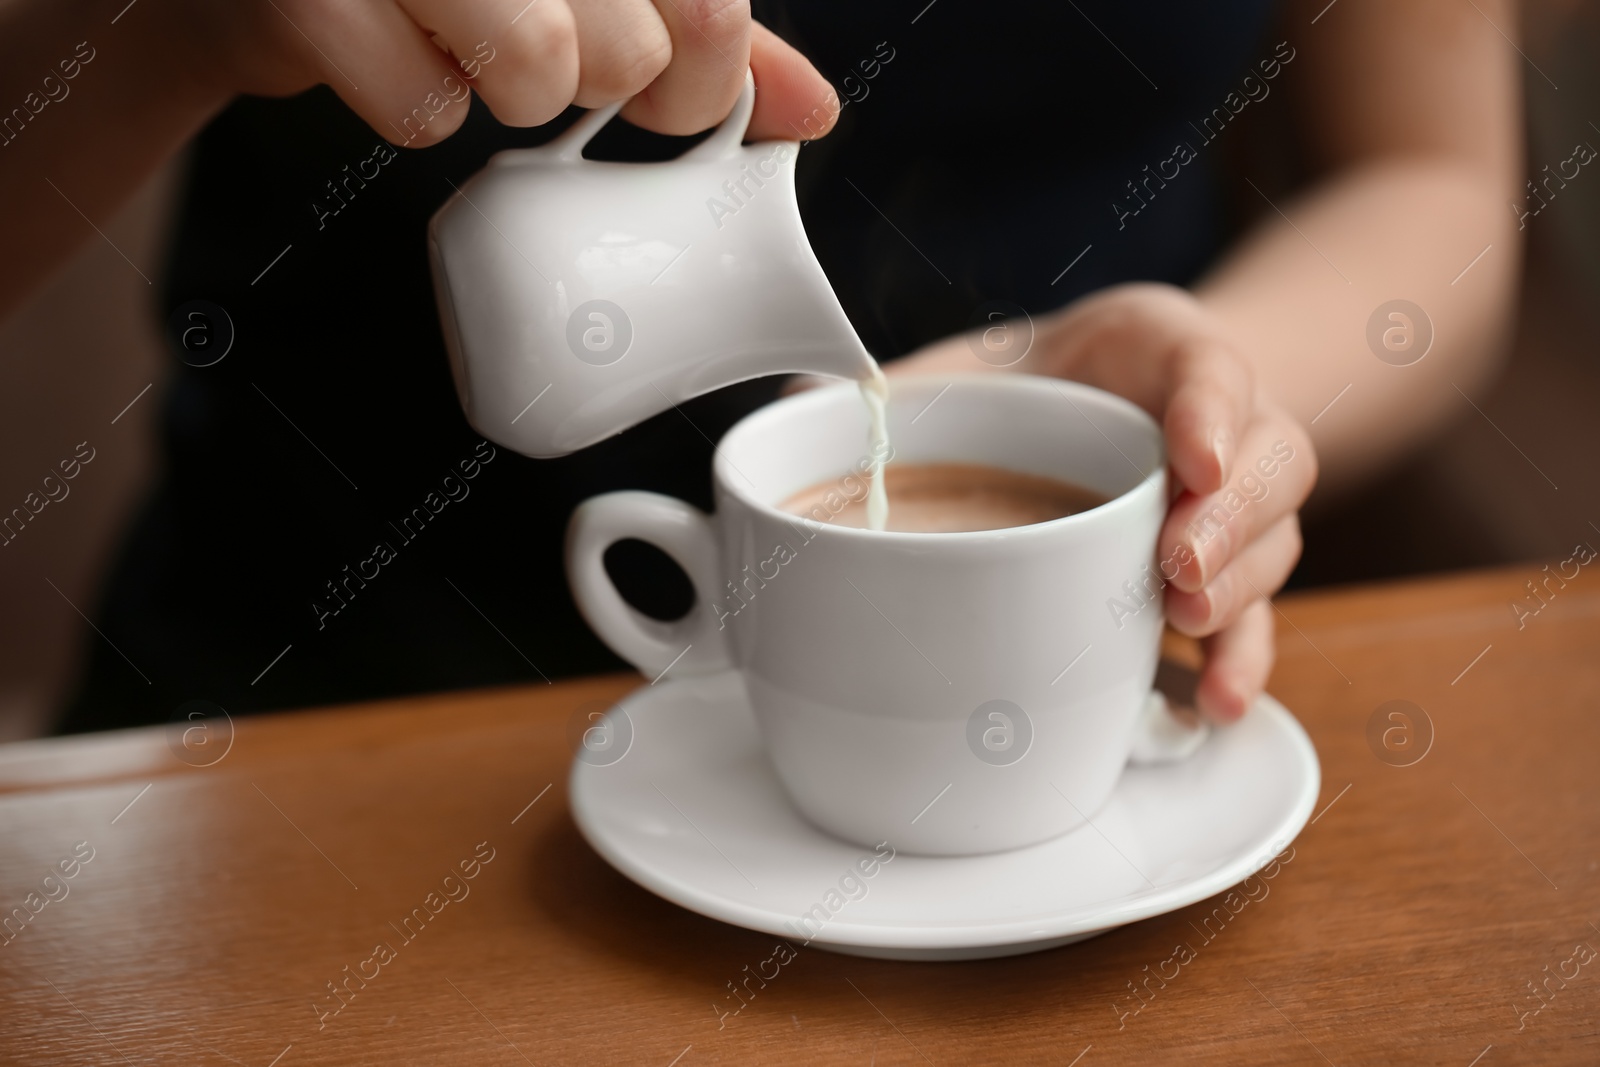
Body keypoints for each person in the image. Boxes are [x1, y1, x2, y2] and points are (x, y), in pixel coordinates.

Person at [0, 0, 1520, 731]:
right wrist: (156, 34)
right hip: (301, 723)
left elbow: (1433, 171)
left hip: (1069, 728)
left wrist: (1219, 396)